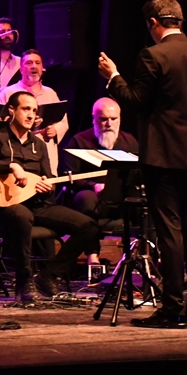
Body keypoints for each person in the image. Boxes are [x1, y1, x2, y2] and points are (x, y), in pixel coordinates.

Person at [99, 0, 187, 329]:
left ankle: (172, 309)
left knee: (170, 232)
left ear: (153, 23)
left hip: (164, 156)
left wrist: (113, 76)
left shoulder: (153, 55)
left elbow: (136, 101)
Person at [0, 91, 98, 304]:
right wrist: (11, 166)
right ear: (12, 110)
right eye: (26, 109)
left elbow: (49, 179)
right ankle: (24, 279)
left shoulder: (39, 144)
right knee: (22, 216)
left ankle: (48, 275)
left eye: (34, 110)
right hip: (7, 207)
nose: (31, 115)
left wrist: (45, 185)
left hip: (37, 205)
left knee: (88, 226)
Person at [62, 97, 139, 265]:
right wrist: (93, 185)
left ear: (120, 118)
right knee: (86, 197)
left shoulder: (130, 142)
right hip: (92, 199)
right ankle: (92, 256)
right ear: (94, 119)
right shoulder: (79, 141)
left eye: (113, 119)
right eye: (103, 119)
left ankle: (147, 257)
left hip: (120, 199)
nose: (109, 124)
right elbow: (68, 176)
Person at [0, 50, 71, 173]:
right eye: (29, 63)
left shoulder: (50, 93)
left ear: (42, 68)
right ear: (21, 69)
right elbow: (1, 122)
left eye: (37, 63)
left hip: (45, 150)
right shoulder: (8, 93)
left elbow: (63, 121)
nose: (34, 66)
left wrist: (55, 130)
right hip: (17, 153)